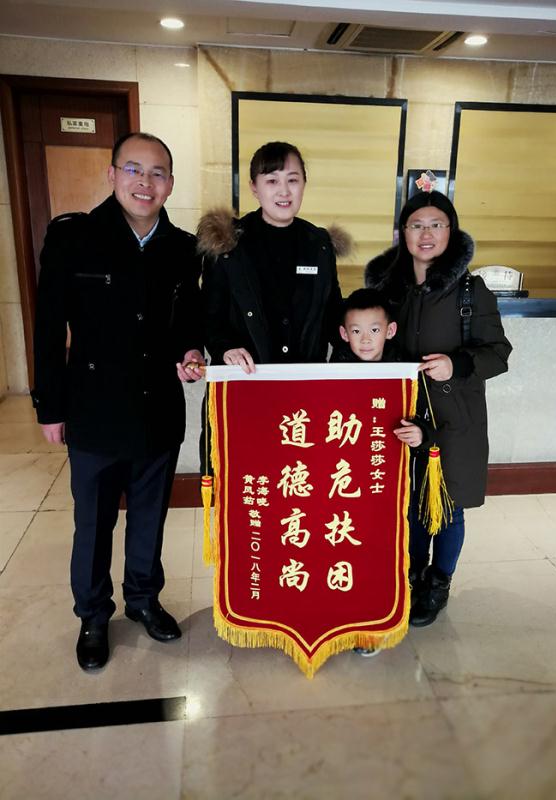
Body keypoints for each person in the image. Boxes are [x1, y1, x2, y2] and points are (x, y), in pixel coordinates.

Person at [32, 132, 204, 671]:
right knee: (94, 523)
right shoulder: (74, 238)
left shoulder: (182, 249)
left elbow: (189, 320)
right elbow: (47, 328)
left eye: (157, 173)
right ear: (112, 175)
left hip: (158, 409)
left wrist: (192, 349)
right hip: (94, 410)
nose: (144, 182)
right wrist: (49, 407)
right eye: (133, 169)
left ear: (170, 184)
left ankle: (144, 600)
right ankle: (92, 615)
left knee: (149, 517)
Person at [365, 190, 512, 627]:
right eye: (416, 225)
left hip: (454, 419)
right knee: (405, 504)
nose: (426, 234)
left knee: (447, 507)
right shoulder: (386, 290)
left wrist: (457, 364)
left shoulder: (471, 290)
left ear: (451, 231)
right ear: (402, 232)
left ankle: (438, 582)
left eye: (436, 225)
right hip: (398, 417)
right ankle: (409, 575)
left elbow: (499, 353)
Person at [332, 287, 431, 654]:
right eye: (356, 331)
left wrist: (420, 434)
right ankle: (342, 613)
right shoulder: (329, 373)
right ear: (343, 334)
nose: (365, 339)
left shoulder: (406, 372)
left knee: (385, 549)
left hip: (389, 485)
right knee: (345, 547)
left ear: (390, 330)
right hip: (344, 484)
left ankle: (375, 620)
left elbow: (428, 420)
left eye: (374, 330)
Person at [197, 141, 349, 373]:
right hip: (246, 380)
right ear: (254, 188)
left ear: (304, 184)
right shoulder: (227, 243)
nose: (284, 191)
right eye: (272, 181)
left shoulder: (320, 244)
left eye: (292, 180)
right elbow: (210, 314)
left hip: (304, 381)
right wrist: (225, 348)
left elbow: (332, 314)